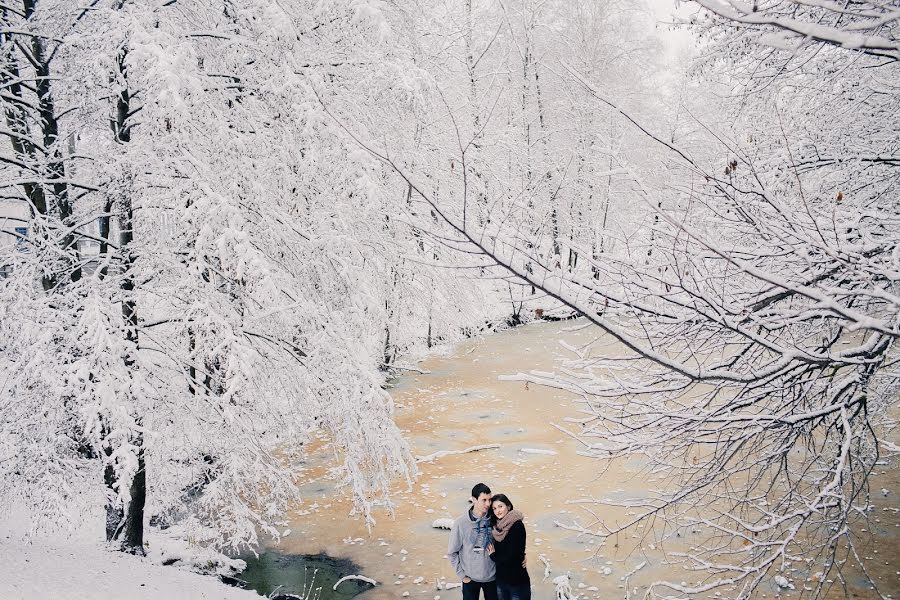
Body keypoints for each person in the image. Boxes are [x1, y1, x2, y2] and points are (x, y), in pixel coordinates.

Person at [448, 482, 498, 600]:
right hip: (470, 579)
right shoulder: (461, 523)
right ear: (474, 500)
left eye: (490, 500)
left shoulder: (495, 519)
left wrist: (520, 556)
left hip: (493, 578)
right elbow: (452, 552)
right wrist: (462, 575)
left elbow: (508, 541)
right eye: (484, 500)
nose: (488, 504)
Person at [486, 493, 530, 600]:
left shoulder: (517, 525)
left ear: (508, 506)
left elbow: (513, 556)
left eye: (500, 506)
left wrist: (493, 556)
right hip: (501, 581)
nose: (498, 511)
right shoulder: (496, 527)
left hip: (517, 582)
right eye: (494, 508)